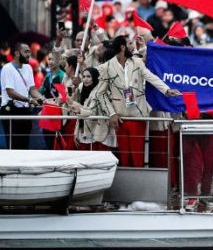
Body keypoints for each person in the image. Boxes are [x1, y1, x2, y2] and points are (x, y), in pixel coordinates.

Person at [97, 36, 181, 167]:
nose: (131, 46)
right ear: (123, 47)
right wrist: (111, 113)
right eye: (128, 43)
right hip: (120, 117)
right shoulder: (107, 67)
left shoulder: (137, 62)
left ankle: (138, 182)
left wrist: (166, 90)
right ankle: (128, 184)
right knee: (124, 156)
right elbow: (100, 94)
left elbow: (151, 77)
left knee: (138, 154)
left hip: (138, 115)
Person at [0, 43, 46, 149]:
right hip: (10, 110)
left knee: (24, 145)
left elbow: (32, 89)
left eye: (29, 51)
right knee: (13, 145)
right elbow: (10, 92)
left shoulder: (29, 68)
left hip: (24, 110)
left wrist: (42, 99)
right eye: (26, 52)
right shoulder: (7, 68)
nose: (29, 54)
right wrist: (29, 100)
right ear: (16, 53)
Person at [68, 67, 115, 150]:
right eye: (84, 76)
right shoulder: (82, 90)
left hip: (95, 134)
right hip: (83, 133)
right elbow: (82, 111)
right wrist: (77, 132)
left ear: (95, 77)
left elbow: (91, 111)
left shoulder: (99, 93)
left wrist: (79, 109)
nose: (85, 79)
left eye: (89, 77)